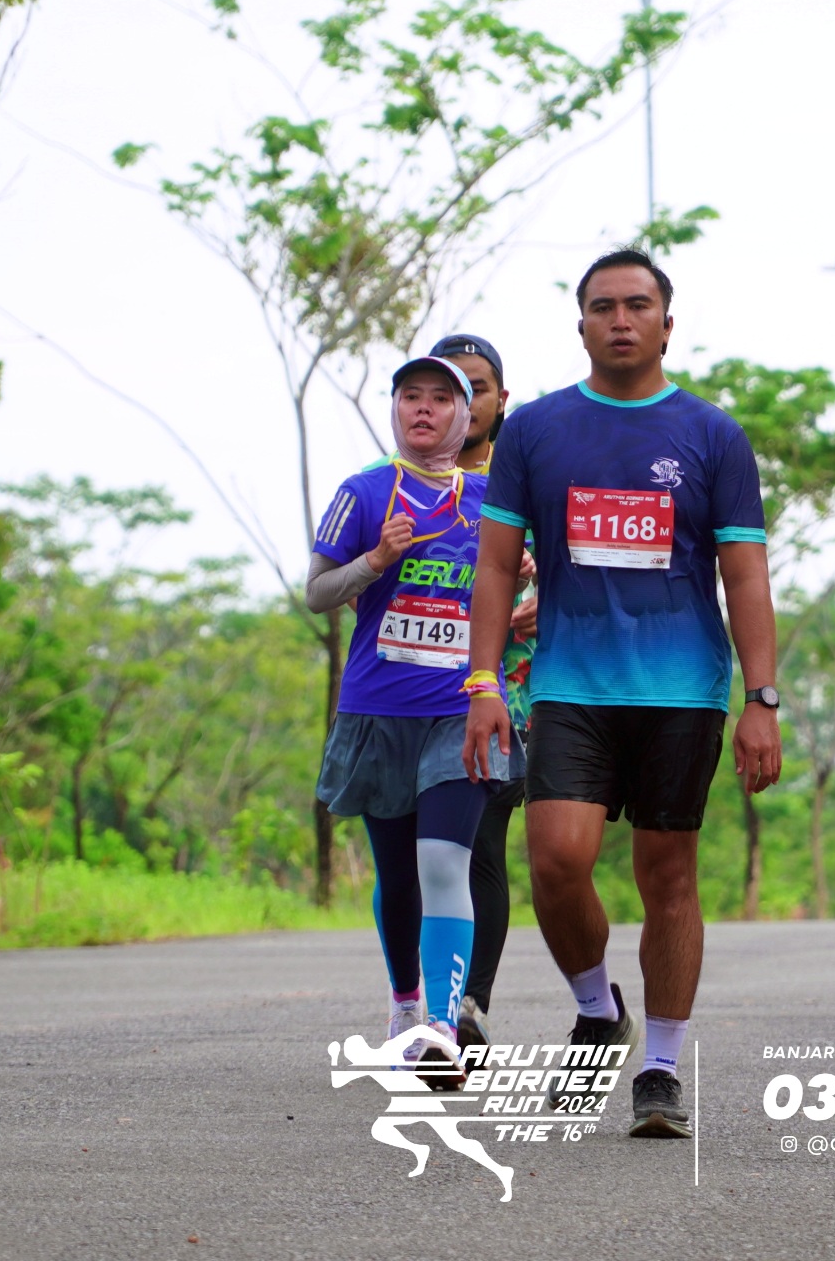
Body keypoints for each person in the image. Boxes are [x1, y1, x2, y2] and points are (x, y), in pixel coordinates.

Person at [463, 249, 780, 1140]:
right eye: (603, 306)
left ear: (666, 325)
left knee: (666, 874)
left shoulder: (711, 436)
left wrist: (761, 698)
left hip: (681, 689)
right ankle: (597, 1010)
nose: (620, 319)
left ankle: (662, 1069)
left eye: (637, 305)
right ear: (581, 326)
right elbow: (495, 566)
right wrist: (481, 680)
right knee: (556, 862)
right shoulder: (536, 431)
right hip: (570, 682)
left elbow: (745, 575)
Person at [310, 354, 509, 1089]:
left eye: (440, 399)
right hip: (378, 711)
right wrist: (374, 560)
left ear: (467, 415)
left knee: (444, 862)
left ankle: (442, 1027)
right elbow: (317, 592)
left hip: (462, 712)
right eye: (410, 397)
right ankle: (403, 1006)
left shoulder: (492, 500)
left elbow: (533, 578)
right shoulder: (363, 492)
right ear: (395, 410)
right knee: (398, 875)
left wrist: (525, 580)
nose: (422, 409)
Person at [424, 334, 538, 1054]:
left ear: (501, 400)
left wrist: (544, 594)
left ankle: (469, 1008)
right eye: (450, 389)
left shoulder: (526, 473)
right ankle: (420, 1002)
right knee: (424, 854)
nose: (466, 402)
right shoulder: (402, 480)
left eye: (479, 387)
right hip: (418, 689)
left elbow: (572, 555)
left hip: (507, 691)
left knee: (481, 842)